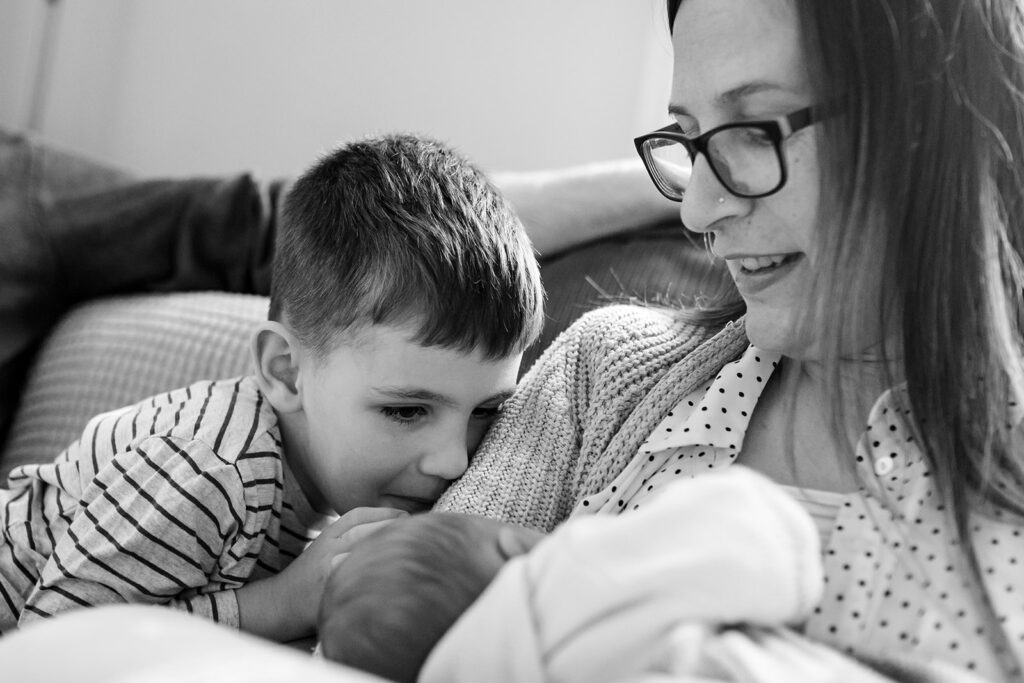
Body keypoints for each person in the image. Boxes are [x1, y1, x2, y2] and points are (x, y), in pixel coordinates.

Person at [420, 0, 1024, 680]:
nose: (698, 209)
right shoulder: (600, 377)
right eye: (691, 136)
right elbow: (397, 633)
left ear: (933, 126)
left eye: (754, 131)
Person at [0, 132, 544, 642]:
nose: (453, 461)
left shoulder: (324, 478)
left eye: (486, 411)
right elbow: (53, 643)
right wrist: (283, 603)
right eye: (406, 411)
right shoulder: (208, 472)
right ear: (285, 370)